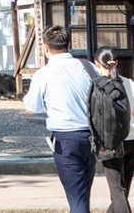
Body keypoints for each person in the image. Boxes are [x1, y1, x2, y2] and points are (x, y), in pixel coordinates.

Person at [24, 25, 96, 213]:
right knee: (83, 193)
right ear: (69, 44)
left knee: (76, 196)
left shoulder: (44, 74)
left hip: (66, 140)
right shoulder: (88, 67)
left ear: (45, 47)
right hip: (93, 137)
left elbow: (32, 108)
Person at [94, 46, 134, 213]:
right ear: (116, 63)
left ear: (97, 64)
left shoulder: (98, 86)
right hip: (132, 138)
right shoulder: (129, 83)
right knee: (122, 191)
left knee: (117, 192)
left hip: (110, 142)